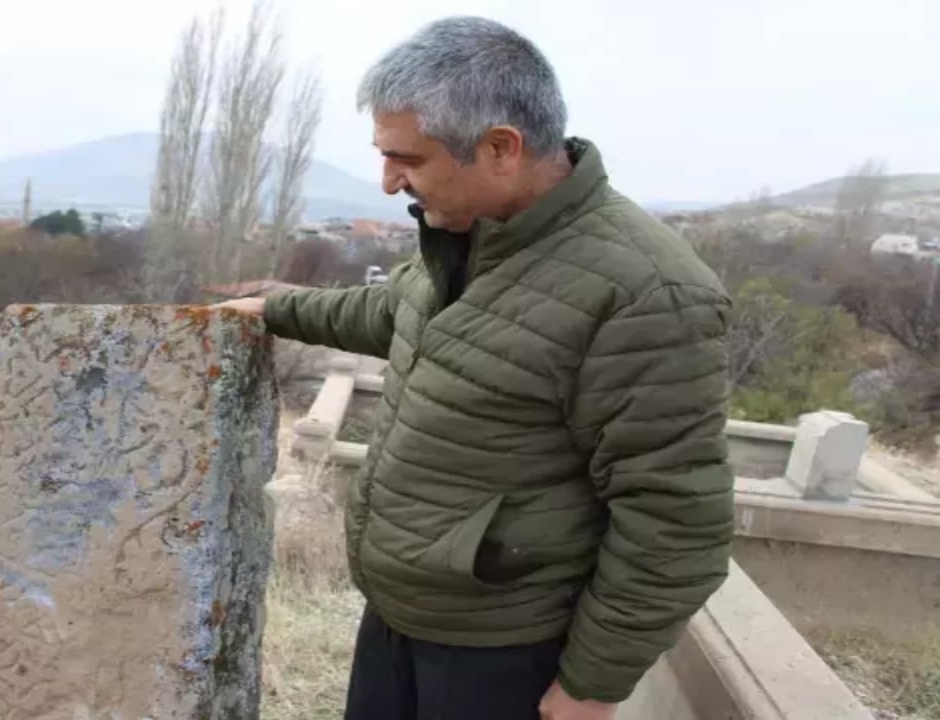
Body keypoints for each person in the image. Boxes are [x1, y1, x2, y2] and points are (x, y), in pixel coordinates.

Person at [217, 16, 735, 720]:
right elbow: (389, 313)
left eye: (409, 159)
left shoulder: (646, 291)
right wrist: (273, 309)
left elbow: (676, 516)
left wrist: (591, 686)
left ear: (499, 149)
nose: (388, 182)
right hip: (401, 620)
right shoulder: (473, 240)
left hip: (505, 652)